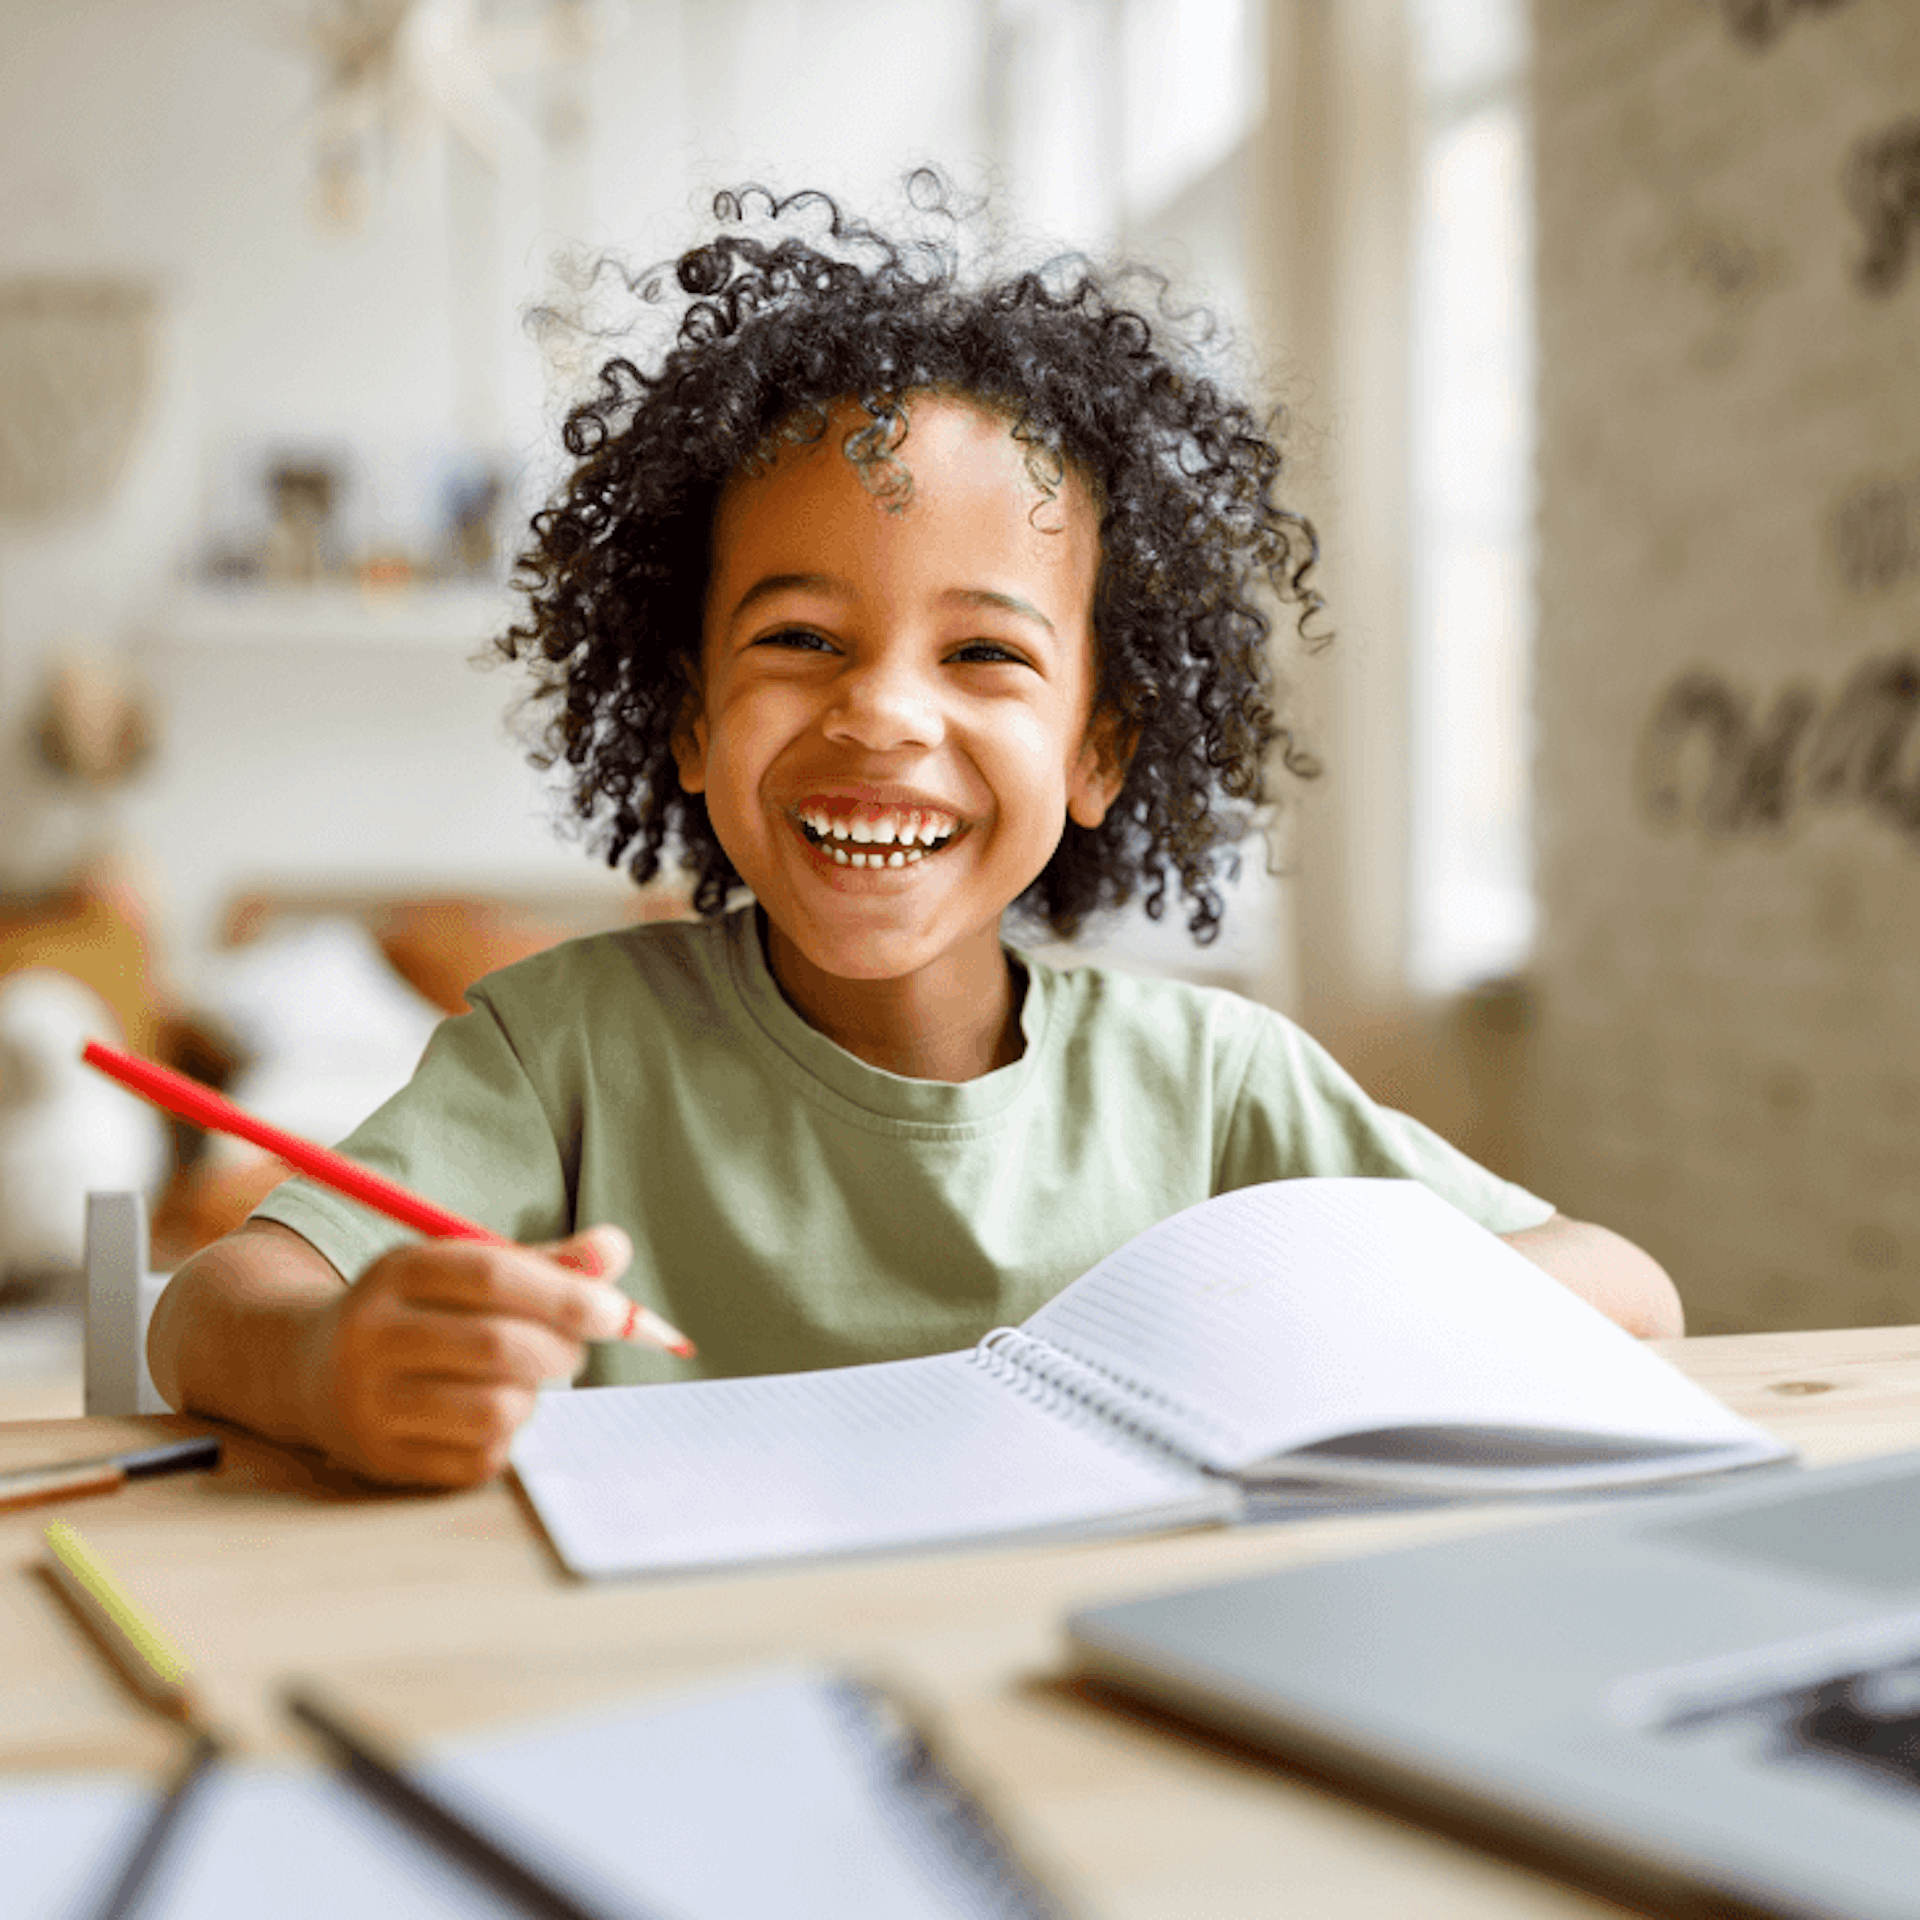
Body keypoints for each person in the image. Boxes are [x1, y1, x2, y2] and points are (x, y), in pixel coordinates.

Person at [147, 180, 1682, 1489]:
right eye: (803, 638)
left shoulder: (1216, 1084)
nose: (882, 715)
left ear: (1099, 752)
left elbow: (1629, 1296)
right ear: (689, 721)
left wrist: (1316, 1323)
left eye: (985, 655)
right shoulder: (565, 1052)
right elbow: (215, 1304)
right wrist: (335, 1360)